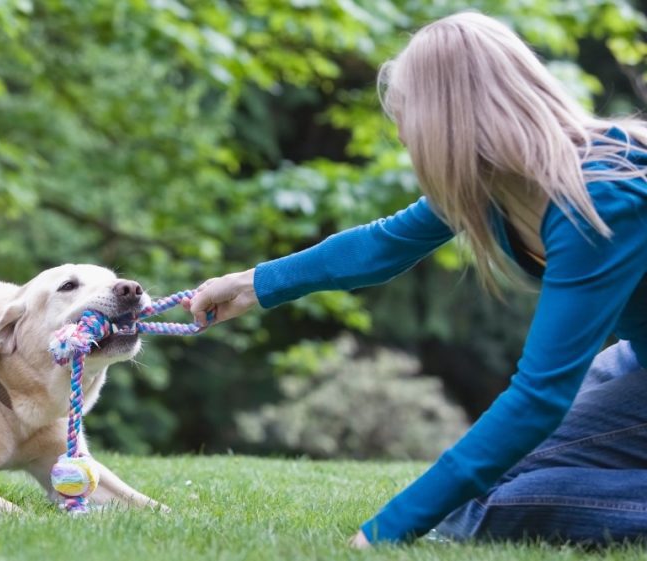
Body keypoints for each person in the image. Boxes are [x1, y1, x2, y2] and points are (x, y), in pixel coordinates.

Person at [186, 11, 647, 546]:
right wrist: (251, 284)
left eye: (406, 114)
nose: (402, 133)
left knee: (487, 507)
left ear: (447, 120)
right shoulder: (497, 185)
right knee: (483, 492)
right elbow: (382, 244)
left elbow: (539, 397)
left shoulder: (598, 200)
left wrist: (385, 531)